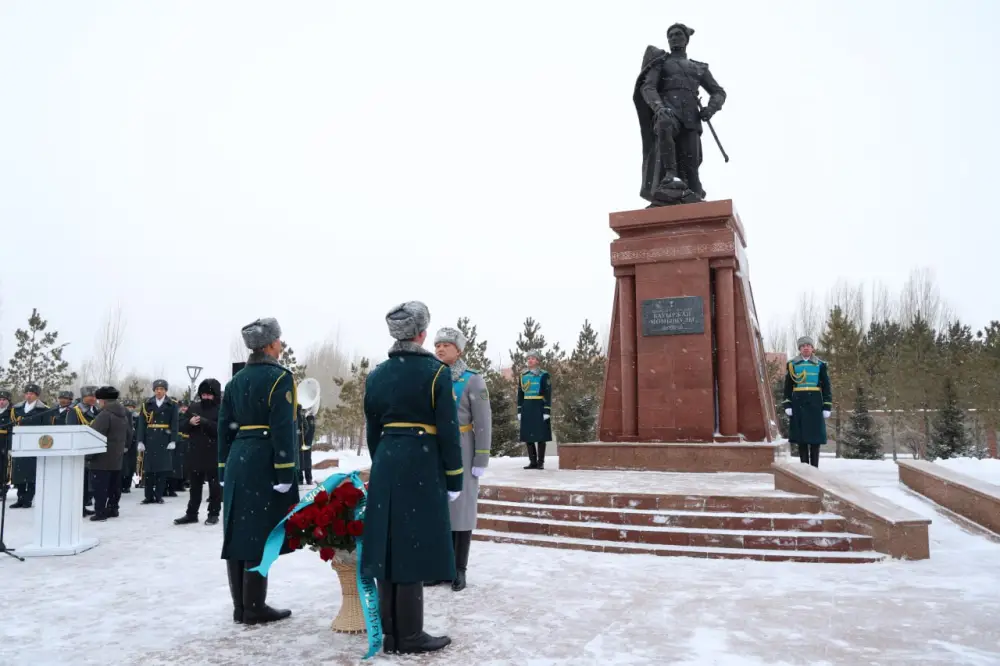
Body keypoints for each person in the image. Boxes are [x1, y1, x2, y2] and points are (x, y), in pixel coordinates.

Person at [362, 301, 463, 655]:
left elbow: (373, 429)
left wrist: (385, 460)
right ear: (422, 334)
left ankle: (390, 632)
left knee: (388, 547)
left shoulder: (376, 375)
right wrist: (454, 478)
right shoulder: (436, 373)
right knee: (412, 547)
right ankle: (410, 635)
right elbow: (449, 431)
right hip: (421, 462)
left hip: (387, 459)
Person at [218, 318, 299, 625]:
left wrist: (223, 466)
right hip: (264, 460)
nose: (281, 345)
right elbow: (282, 428)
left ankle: (241, 605)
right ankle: (254, 606)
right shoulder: (279, 378)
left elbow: (225, 428)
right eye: (279, 341)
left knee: (238, 532)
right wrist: (284, 472)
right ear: (269, 345)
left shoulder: (235, 381)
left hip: (239, 456)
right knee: (258, 534)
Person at [634, 23, 726, 205]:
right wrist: (659, 108)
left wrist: (710, 108)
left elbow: (719, 92)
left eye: (677, 35)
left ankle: (691, 193)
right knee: (664, 124)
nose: (673, 38)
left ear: (686, 39)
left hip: (691, 118)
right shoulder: (660, 62)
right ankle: (670, 175)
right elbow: (648, 86)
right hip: (669, 109)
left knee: (692, 169)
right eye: (670, 36)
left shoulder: (699, 68)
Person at [433, 327, 492, 593]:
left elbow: (483, 421)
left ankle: (459, 568)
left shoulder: (472, 380)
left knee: (462, 509)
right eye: (437, 345)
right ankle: (441, 567)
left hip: (464, 448)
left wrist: (481, 456)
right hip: (435, 451)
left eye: (446, 344)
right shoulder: (431, 377)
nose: (440, 349)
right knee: (439, 511)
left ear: (459, 349)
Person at [176, 379, 222, 526]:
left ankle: (213, 514)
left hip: (214, 452)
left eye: (209, 395)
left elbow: (222, 429)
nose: (206, 398)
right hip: (195, 451)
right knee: (195, 487)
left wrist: (205, 422)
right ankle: (191, 513)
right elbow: (181, 425)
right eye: (203, 395)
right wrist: (189, 423)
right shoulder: (194, 407)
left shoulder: (222, 408)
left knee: (215, 488)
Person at [783, 337, 832, 468]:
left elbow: (826, 386)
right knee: (802, 438)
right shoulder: (792, 364)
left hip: (815, 402)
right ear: (799, 348)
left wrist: (827, 405)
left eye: (808, 345)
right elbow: (788, 387)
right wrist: (787, 404)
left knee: (815, 438)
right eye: (803, 346)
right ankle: (804, 469)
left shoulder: (820, 365)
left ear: (812, 348)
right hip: (798, 402)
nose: (806, 348)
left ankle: (814, 469)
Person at [88, 386, 131, 521]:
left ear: (104, 401)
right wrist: (125, 447)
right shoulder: (124, 413)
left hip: (101, 457)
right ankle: (113, 508)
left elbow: (95, 435)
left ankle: (100, 512)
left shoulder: (104, 414)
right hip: (116, 456)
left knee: (100, 487)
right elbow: (130, 433)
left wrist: (88, 456)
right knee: (114, 486)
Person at [136, 380, 179, 505]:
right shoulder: (147, 404)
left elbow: (174, 423)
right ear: (154, 390)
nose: (159, 391)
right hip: (150, 438)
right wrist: (140, 440)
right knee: (148, 470)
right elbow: (141, 424)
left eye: (161, 389)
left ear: (166, 390)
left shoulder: (172, 404)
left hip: (164, 438)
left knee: (162, 469)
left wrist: (173, 440)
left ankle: (159, 495)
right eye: (157, 389)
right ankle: (148, 496)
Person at [9, 384, 49, 508]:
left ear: (37, 395)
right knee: (19, 473)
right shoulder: (17, 408)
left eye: (31, 393)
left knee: (32, 474)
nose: (28, 395)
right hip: (20, 444)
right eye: (27, 393)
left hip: (34, 445)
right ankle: (20, 498)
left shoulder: (43, 410)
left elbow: (46, 428)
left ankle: (28, 499)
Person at [518, 350, 552, 470]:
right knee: (528, 435)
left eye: (533, 358)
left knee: (541, 435)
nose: (530, 360)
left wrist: (547, 410)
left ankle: (540, 462)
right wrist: (519, 410)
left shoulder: (544, 375)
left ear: (537, 361)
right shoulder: (523, 375)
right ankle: (532, 461)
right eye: (528, 358)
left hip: (539, 406)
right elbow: (520, 394)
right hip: (527, 406)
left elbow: (547, 394)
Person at [120, 399, 140, 494]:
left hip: (133, 443)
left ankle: (127, 485)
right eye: (127, 407)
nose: (129, 409)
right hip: (123, 443)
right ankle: (121, 485)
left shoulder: (137, 417)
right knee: (123, 465)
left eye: (131, 407)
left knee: (131, 465)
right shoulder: (121, 417)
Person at [298, 405, 315, 486]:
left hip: (306, 441)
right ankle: (300, 478)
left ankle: (308, 478)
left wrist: (308, 443)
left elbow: (311, 431)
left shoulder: (310, 417)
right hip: (299, 440)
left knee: (307, 459)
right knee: (299, 459)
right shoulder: (299, 415)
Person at [0, 390, 12, 498]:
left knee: (3, 467)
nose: (1, 402)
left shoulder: (11, 412)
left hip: (4, 441)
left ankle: (2, 489)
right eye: (0, 399)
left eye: (4, 400)